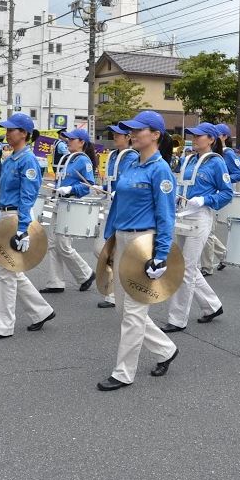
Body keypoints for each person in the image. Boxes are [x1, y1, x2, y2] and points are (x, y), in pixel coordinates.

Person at [97, 111, 179, 391]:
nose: (132, 134)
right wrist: (110, 241)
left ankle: (123, 372)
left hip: (145, 242)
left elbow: (167, 216)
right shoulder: (131, 163)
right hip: (122, 239)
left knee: (133, 310)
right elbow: (118, 205)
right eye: (130, 130)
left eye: (138, 130)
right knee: (123, 308)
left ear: (155, 134)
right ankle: (166, 349)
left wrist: (161, 255)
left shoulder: (161, 170)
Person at [0, 113, 56, 340]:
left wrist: (23, 228)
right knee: (12, 269)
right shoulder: (11, 158)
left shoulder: (28, 160)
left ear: (23, 133)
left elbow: (28, 196)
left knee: (6, 273)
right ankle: (41, 311)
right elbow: (4, 193)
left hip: (17, 217)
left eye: (11, 129)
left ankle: (2, 326)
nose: (7, 132)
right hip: (6, 216)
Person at [163, 122, 231, 333]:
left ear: (211, 139)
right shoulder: (189, 159)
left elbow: (227, 193)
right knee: (184, 266)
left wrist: (205, 199)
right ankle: (212, 305)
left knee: (185, 268)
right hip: (183, 213)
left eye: (200, 135)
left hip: (201, 216)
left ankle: (177, 318)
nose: (195, 138)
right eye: (194, 135)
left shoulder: (217, 162)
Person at [40, 128, 97, 293]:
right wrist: (57, 188)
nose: (68, 141)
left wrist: (70, 189)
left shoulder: (83, 160)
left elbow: (88, 185)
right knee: (52, 243)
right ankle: (55, 282)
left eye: (72, 139)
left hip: (71, 205)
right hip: (60, 202)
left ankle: (86, 274)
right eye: (68, 139)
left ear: (82, 142)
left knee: (63, 245)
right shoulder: (69, 159)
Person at [94, 124, 138, 308]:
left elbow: (128, 183)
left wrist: (117, 193)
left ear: (128, 137)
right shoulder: (113, 155)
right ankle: (116, 293)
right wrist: (103, 189)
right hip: (110, 205)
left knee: (110, 251)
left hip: (123, 208)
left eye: (119, 134)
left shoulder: (132, 157)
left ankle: (117, 295)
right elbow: (112, 182)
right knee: (102, 250)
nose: (114, 136)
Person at [199, 123, 240, 275]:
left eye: (218, 135)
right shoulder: (204, 155)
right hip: (208, 195)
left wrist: (223, 180)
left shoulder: (227, 154)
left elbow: (239, 174)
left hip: (216, 195)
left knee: (208, 233)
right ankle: (224, 255)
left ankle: (207, 266)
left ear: (224, 137)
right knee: (208, 233)